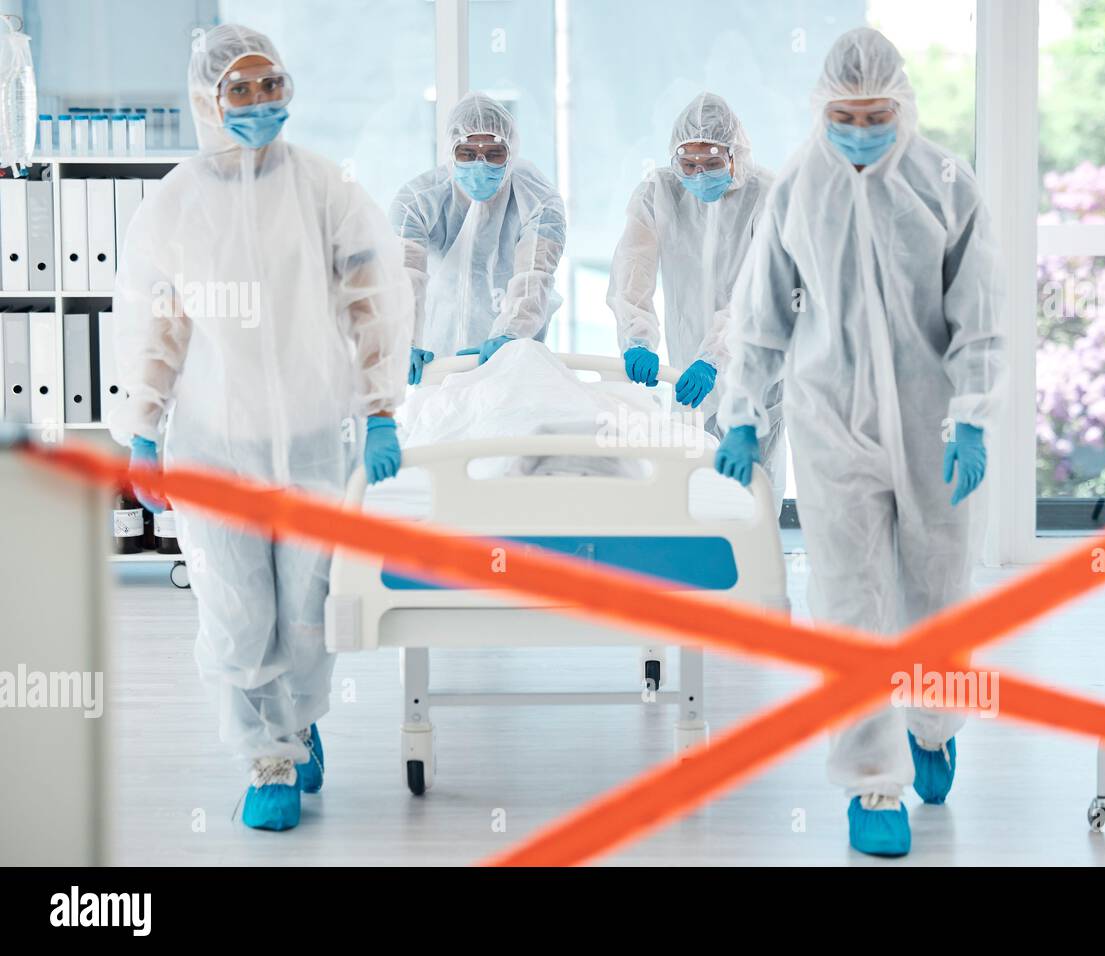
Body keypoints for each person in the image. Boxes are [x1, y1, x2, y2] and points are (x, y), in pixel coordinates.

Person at [110, 24, 411, 831]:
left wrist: (381, 407)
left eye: (269, 84)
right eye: (239, 89)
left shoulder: (323, 188)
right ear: (209, 99)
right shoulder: (175, 202)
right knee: (236, 611)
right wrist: (143, 431)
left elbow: (371, 296)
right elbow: (154, 326)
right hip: (213, 443)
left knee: (310, 606)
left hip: (316, 437)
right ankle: (266, 757)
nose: (257, 102)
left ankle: (301, 720)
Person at [714, 28, 1003, 857]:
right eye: (847, 113)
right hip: (830, 419)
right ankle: (872, 785)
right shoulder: (797, 190)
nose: (863, 127)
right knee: (848, 603)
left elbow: (981, 316)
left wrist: (975, 415)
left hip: (931, 423)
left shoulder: (947, 184)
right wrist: (743, 412)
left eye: (877, 112)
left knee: (938, 589)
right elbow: (761, 316)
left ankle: (934, 725)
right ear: (823, 110)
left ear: (902, 105)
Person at [608, 92, 785, 507]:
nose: (699, 174)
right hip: (689, 372)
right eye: (688, 164)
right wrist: (637, 338)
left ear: (735, 156)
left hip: (756, 372)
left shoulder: (767, 195)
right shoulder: (659, 193)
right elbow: (631, 273)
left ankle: (757, 571)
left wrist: (716, 356)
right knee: (695, 497)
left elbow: (758, 293)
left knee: (756, 499)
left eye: (712, 164)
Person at [392, 92, 567, 384]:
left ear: (511, 152)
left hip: (513, 364)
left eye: (494, 153)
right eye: (468, 153)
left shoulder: (539, 201)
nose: (480, 164)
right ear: (450, 150)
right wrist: (405, 339)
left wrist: (511, 334)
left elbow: (534, 276)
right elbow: (405, 276)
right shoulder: (417, 202)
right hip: (438, 361)